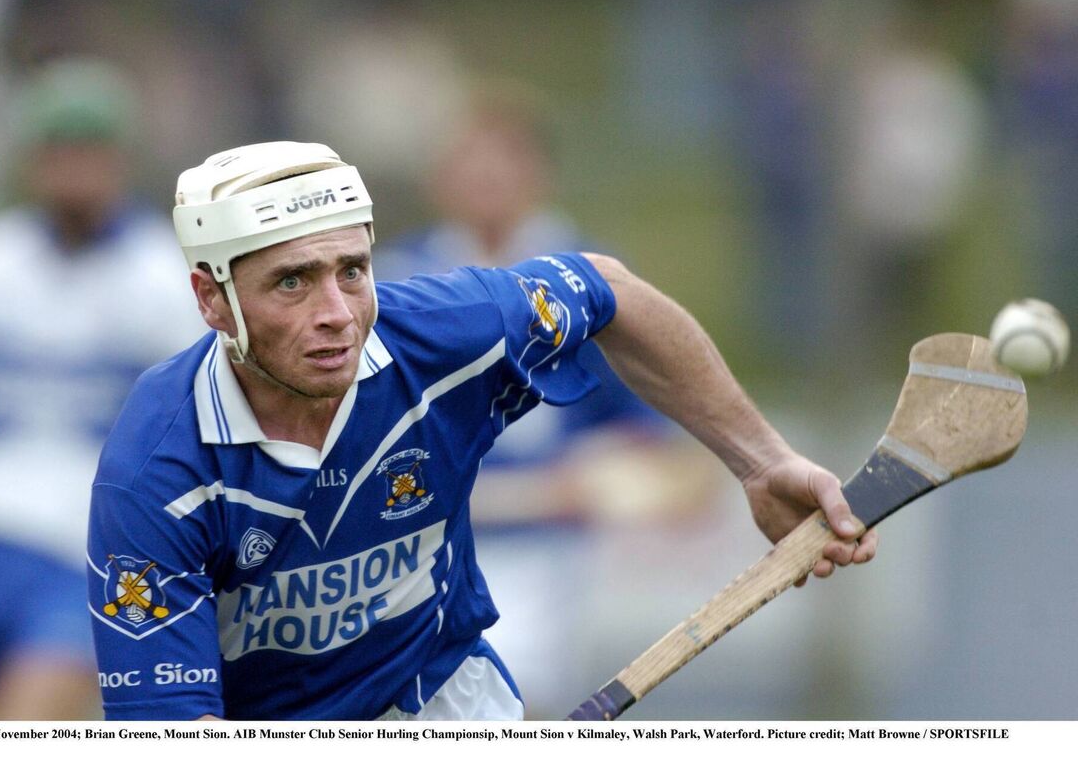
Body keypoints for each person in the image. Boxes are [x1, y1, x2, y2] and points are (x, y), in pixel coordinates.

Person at [86, 140, 877, 721]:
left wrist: (761, 462)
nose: (337, 314)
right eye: (291, 281)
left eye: (351, 270)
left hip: (443, 701)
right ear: (212, 299)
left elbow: (610, 291)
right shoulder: (157, 471)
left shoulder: (450, 332)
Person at [375, 88, 722, 715]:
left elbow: (645, 423)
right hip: (421, 548)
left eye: (504, 158)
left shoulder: (586, 282)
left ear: (539, 171)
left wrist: (625, 476)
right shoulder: (399, 282)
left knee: (513, 701)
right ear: (439, 177)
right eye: (470, 160)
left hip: (544, 554)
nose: (487, 177)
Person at [0, 58, 204, 719]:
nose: (73, 168)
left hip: (82, 552)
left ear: (118, 159)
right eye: (58, 150)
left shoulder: (160, 278)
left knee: (21, 727)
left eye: (89, 150)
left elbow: (187, 444)